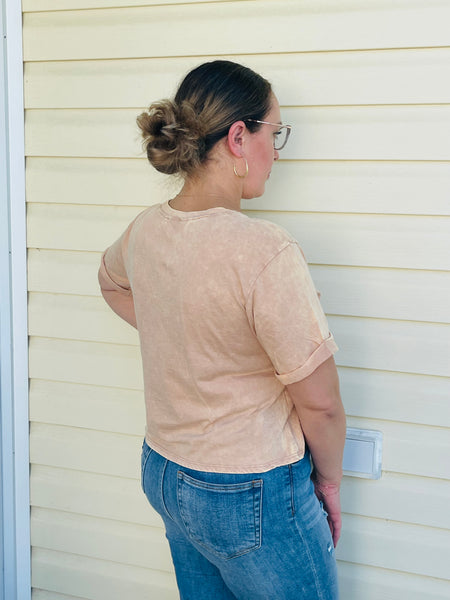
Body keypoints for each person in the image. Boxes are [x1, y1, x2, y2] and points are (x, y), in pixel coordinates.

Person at [98, 60, 346, 600]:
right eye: (273, 133)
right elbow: (321, 405)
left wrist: (186, 334)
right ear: (239, 137)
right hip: (248, 490)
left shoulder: (145, 230)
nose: (276, 151)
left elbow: (111, 282)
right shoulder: (264, 250)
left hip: (164, 471)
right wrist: (328, 482)